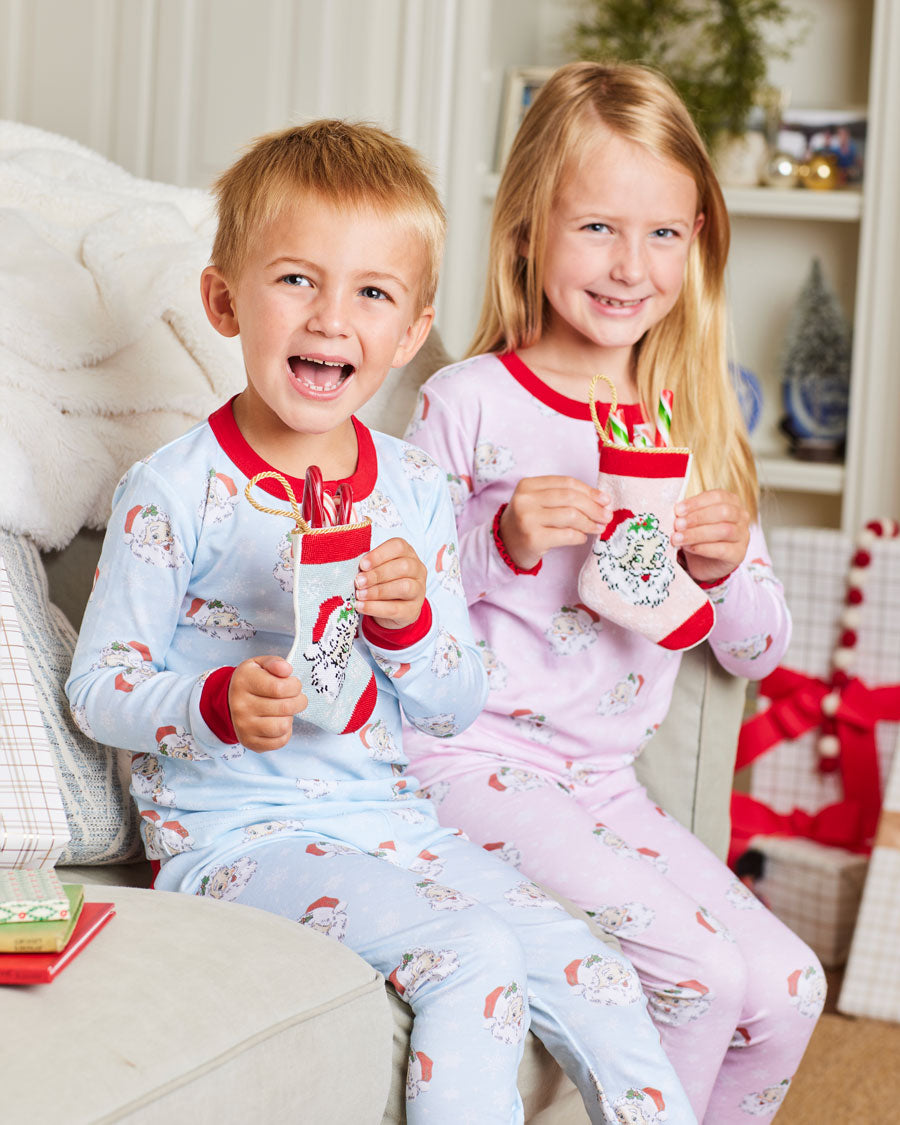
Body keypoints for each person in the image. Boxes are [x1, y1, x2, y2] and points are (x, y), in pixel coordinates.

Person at [66, 119, 697, 1124]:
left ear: (409, 333)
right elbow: (101, 690)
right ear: (224, 300)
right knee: (474, 955)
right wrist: (215, 702)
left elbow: (453, 703)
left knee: (601, 974)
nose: (331, 319)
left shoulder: (412, 489)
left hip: (398, 824)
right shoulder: (174, 491)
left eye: (372, 293)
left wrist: (407, 630)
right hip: (234, 841)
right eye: (296, 280)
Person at [404, 62, 825, 1123]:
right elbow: (392, 605)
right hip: (468, 761)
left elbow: (758, 650)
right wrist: (501, 539)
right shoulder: (469, 402)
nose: (631, 266)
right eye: (597, 227)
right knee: (701, 973)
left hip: (604, 783)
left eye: (663, 234)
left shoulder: (693, 421)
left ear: (698, 240)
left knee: (787, 987)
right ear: (528, 230)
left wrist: (722, 571)